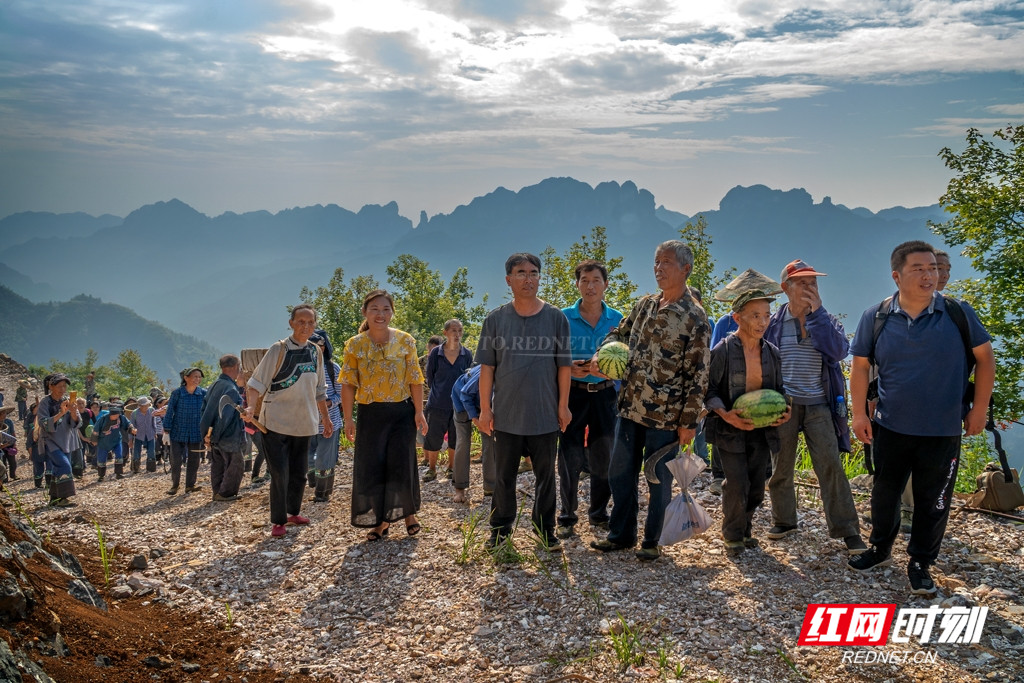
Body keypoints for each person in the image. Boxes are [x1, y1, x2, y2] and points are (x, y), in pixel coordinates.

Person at [849, 241, 994, 595]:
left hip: (942, 429)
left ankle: (920, 562)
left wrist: (979, 409)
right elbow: (860, 366)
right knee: (884, 493)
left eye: (932, 268)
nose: (930, 275)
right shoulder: (877, 316)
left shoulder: (958, 313)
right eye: (919, 269)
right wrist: (857, 414)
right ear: (897, 275)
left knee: (934, 500)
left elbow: (986, 359)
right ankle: (880, 549)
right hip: (889, 424)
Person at [590, 240, 710, 561]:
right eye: (656, 262)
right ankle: (620, 535)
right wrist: (605, 352)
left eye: (666, 263)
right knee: (620, 474)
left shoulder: (694, 317)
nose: (658, 268)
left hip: (666, 417)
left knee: (658, 479)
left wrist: (688, 424)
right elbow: (620, 334)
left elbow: (698, 375)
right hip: (630, 406)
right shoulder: (644, 305)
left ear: (686, 269)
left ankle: (651, 541)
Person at [764, 260, 866, 554]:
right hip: (783, 404)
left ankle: (847, 530)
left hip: (820, 403)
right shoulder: (772, 323)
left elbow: (837, 351)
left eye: (814, 283)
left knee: (830, 466)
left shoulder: (826, 319)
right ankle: (784, 521)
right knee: (780, 467)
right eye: (803, 283)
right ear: (785, 288)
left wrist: (817, 315)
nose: (810, 288)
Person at [476, 253, 573, 552]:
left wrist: (563, 406)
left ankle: (545, 530)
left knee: (546, 477)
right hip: (506, 414)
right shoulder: (495, 319)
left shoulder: (556, 318)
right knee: (503, 478)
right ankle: (500, 530)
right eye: (520, 273)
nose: (528, 278)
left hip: (545, 413)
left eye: (533, 272)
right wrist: (484, 408)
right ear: (509, 280)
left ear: (539, 277)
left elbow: (564, 367)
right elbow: (487, 369)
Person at [704, 272, 792, 555]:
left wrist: (784, 412)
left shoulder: (773, 353)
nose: (762, 322)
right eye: (755, 315)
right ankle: (732, 534)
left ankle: (746, 527)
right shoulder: (723, 351)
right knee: (737, 482)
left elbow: (779, 391)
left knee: (756, 485)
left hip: (762, 429)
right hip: (730, 428)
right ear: (737, 317)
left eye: (766, 315)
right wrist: (727, 414)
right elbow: (709, 392)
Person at [341, 290, 426, 540]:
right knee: (372, 467)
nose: (381, 314)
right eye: (375, 309)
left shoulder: (405, 341)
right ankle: (379, 522)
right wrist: (348, 418)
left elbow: (415, 379)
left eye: (386, 309)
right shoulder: (355, 344)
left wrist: (419, 412)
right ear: (365, 312)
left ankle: (409, 514)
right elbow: (347, 383)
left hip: (401, 412)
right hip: (370, 414)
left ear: (392, 312)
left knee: (402, 464)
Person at [246, 304, 332, 538]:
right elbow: (255, 384)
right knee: (280, 472)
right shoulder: (278, 349)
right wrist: (251, 407)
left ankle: (293, 512)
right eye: (301, 321)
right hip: (275, 423)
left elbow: (320, 390)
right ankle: (278, 521)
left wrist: (325, 418)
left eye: (310, 322)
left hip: (304, 423)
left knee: (299, 472)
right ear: (291, 323)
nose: (305, 326)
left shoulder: (316, 352)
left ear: (315, 325)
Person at [556, 260, 623, 539]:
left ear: (606, 285)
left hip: (606, 394)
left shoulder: (617, 319)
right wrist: (569, 365)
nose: (590, 286)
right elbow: (552, 355)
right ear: (577, 284)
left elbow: (628, 356)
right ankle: (567, 515)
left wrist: (607, 367)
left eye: (596, 280)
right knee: (569, 455)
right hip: (572, 393)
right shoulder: (563, 317)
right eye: (584, 280)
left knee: (604, 456)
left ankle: (598, 514)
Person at [423, 319, 473, 487]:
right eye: (453, 330)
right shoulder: (436, 354)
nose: (457, 334)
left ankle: (452, 468)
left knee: (455, 437)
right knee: (433, 437)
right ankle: (431, 468)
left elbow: (468, 378)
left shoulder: (467, 354)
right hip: (437, 402)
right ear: (445, 333)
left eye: (460, 330)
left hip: (459, 404)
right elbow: (430, 378)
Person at [199, 354, 247, 501]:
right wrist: (216, 435)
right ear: (234, 367)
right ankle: (226, 493)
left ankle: (217, 491)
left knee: (218, 464)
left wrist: (208, 435)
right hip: (229, 434)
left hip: (213, 432)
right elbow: (224, 415)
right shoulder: (230, 388)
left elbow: (204, 409)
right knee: (235, 464)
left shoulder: (214, 384)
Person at [307, 330, 342, 503]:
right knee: (308, 458)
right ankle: (314, 482)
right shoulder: (303, 369)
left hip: (330, 421)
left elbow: (341, 395)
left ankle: (322, 493)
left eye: (318, 347)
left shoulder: (333, 368)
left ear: (324, 348)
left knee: (324, 458)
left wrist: (327, 404)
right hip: (306, 422)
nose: (315, 350)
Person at [451, 364, 496, 500]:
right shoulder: (486, 371)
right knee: (463, 442)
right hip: (462, 399)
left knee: (490, 441)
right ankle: (460, 488)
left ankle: (490, 487)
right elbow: (465, 394)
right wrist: (476, 420)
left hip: (485, 406)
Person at [36, 373, 81, 507]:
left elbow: (77, 423)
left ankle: (54, 499)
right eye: (60, 386)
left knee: (58, 468)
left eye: (64, 386)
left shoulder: (68, 400)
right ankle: (63, 498)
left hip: (66, 440)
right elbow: (43, 423)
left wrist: (73, 412)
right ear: (51, 387)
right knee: (64, 465)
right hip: (50, 441)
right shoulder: (45, 402)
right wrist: (61, 413)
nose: (63, 389)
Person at [707, 312, 738, 494]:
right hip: (725, 384)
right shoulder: (724, 322)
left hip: (750, 387)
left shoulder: (764, 320)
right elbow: (714, 352)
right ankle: (718, 476)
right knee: (720, 429)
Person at [164, 368, 208, 494]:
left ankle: (190, 485)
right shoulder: (177, 393)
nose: (197, 379)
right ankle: (175, 485)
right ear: (186, 378)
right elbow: (170, 411)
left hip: (196, 431)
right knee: (176, 460)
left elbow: (207, 412)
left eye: (199, 377)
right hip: (178, 431)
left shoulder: (203, 393)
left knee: (194, 460)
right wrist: (166, 430)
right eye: (195, 377)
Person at [130, 396, 158, 474]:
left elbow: (153, 422)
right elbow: (131, 425)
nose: (146, 407)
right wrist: (130, 438)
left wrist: (155, 432)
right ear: (140, 406)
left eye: (147, 405)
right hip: (138, 435)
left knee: (151, 451)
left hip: (150, 433)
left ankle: (151, 468)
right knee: (136, 452)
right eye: (144, 405)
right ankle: (136, 468)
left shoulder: (152, 410)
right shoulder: (135, 413)